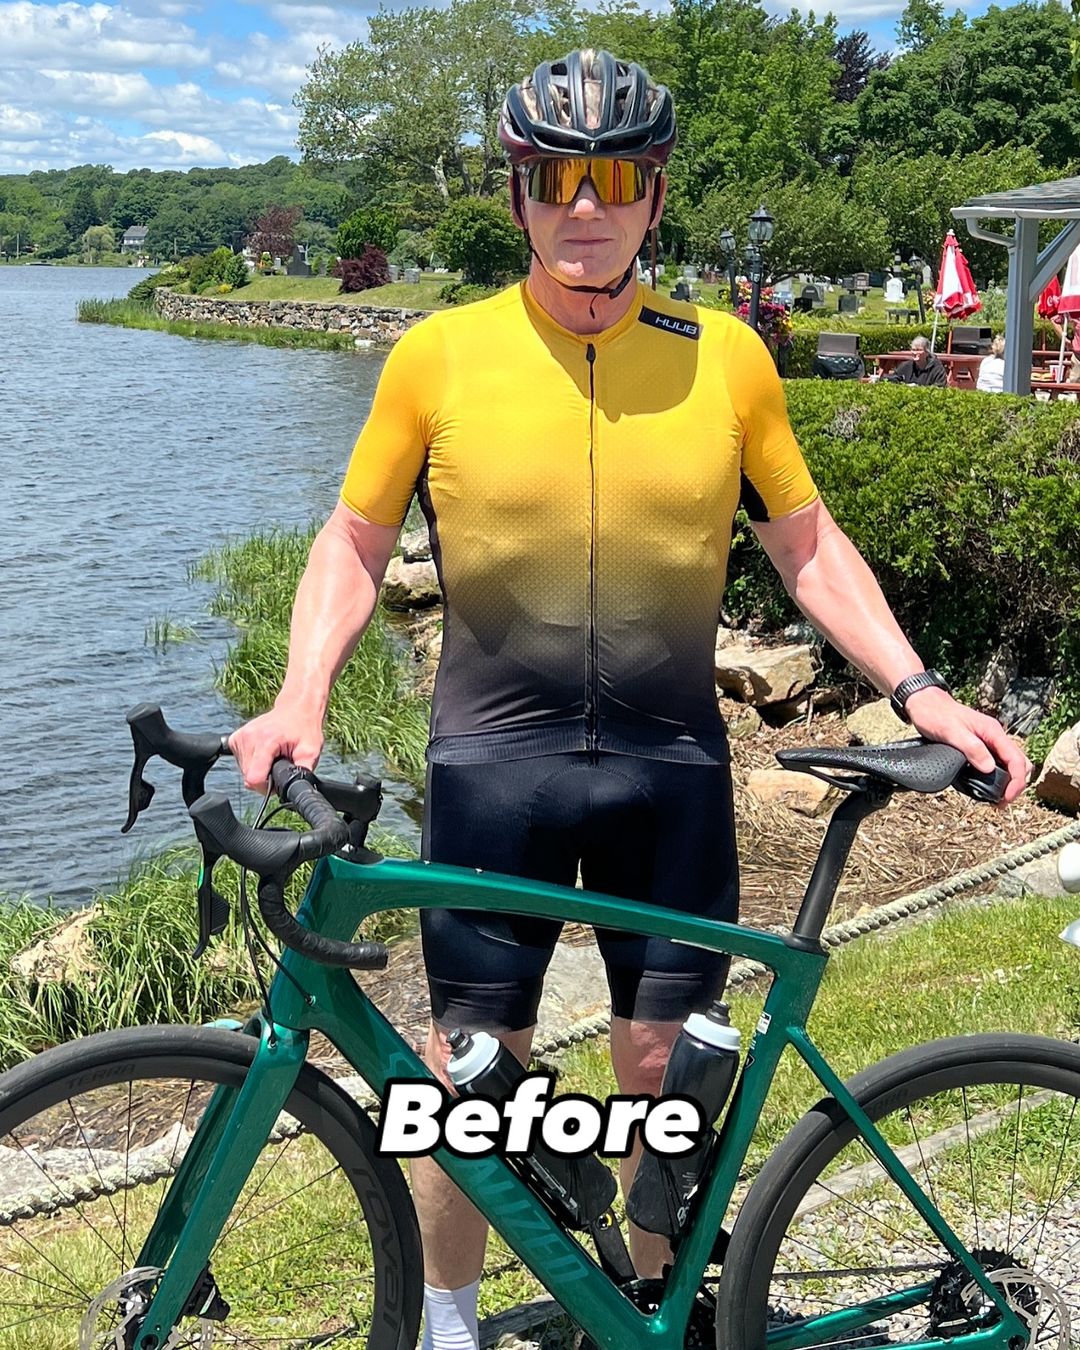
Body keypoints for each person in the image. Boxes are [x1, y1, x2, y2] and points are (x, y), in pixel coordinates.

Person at [229, 49, 1031, 1350]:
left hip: (671, 766)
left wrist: (921, 687)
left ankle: (656, 1319)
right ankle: (445, 1322)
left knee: (662, 1071)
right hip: (496, 762)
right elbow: (354, 541)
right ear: (520, 193)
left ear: (653, 196)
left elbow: (808, 546)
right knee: (470, 1080)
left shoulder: (728, 361)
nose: (583, 206)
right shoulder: (439, 356)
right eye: (556, 178)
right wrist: (296, 695)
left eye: (612, 179)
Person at [882, 335, 948, 387]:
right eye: (913, 350)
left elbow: (940, 387)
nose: (915, 353)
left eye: (919, 350)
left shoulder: (937, 368)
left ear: (927, 352)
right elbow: (892, 378)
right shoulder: (906, 366)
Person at [1049, 312, 1080, 381]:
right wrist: (1064, 338)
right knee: (1074, 387)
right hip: (1078, 358)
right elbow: (1055, 320)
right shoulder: (1075, 310)